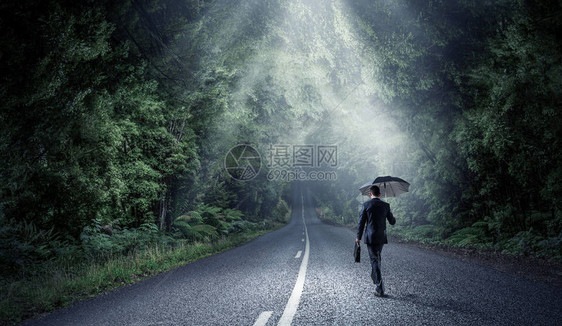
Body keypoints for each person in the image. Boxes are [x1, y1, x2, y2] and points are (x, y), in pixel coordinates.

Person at [356, 185, 396, 296]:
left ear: (370, 194)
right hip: (381, 237)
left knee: (374, 260)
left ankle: (380, 288)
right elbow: (392, 222)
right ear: (379, 194)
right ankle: (375, 276)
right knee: (376, 258)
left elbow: (361, 222)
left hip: (370, 236)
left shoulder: (366, 205)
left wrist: (358, 237)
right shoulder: (386, 205)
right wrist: (392, 214)